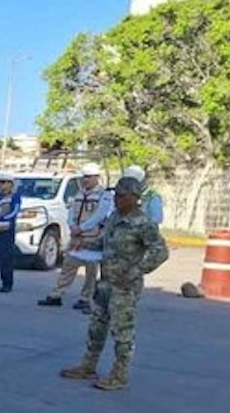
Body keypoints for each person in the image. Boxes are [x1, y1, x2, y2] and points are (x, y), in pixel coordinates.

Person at [60, 177, 169, 391]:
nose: (116, 199)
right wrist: (86, 245)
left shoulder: (143, 223)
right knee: (97, 327)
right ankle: (88, 366)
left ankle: (120, 375)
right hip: (106, 282)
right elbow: (105, 242)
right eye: (115, 195)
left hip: (125, 286)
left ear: (134, 198)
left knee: (122, 331)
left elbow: (160, 252)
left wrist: (136, 272)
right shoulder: (114, 217)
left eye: (121, 196)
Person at [39, 164, 113, 311]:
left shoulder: (104, 195)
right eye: (84, 177)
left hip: (92, 238)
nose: (85, 180)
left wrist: (82, 228)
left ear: (96, 178)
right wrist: (72, 225)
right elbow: (71, 212)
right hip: (76, 237)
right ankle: (56, 295)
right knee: (68, 266)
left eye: (88, 177)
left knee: (91, 272)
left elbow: (100, 215)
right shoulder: (79, 194)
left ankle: (85, 298)